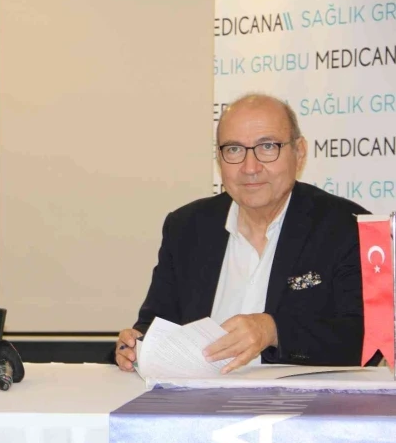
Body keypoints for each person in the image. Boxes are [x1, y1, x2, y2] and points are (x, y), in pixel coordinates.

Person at [116, 94, 369, 373]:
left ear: (299, 152)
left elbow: (366, 342)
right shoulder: (187, 227)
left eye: (268, 147)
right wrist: (135, 346)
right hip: (197, 396)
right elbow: (156, 324)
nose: (250, 168)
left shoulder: (347, 228)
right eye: (234, 149)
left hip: (302, 399)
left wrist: (274, 331)